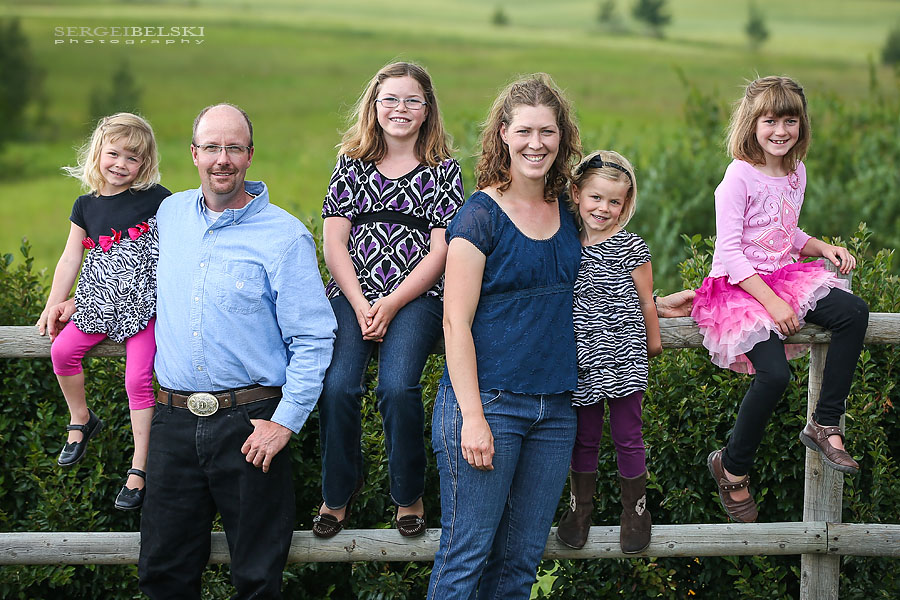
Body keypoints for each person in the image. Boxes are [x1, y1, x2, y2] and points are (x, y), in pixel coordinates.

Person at [49, 103, 337, 599]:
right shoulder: (169, 214)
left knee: (257, 577)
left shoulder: (285, 236)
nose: (221, 159)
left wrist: (284, 421)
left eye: (232, 148)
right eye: (211, 147)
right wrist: (80, 300)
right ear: (194, 154)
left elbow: (314, 338)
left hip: (252, 424)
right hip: (173, 422)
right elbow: (123, 266)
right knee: (163, 574)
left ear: (249, 155)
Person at [692, 76, 869, 523]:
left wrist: (821, 247)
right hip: (739, 289)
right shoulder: (738, 175)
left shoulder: (796, 172)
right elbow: (731, 252)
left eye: (790, 120)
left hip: (781, 278)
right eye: (769, 120)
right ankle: (731, 466)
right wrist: (772, 303)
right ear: (752, 124)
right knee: (774, 377)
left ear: (801, 125)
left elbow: (784, 233)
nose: (780, 131)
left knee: (852, 312)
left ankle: (826, 424)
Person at [314, 62, 464, 539]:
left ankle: (408, 493)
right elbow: (334, 241)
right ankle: (338, 491)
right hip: (352, 293)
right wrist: (360, 303)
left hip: (416, 297)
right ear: (374, 107)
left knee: (397, 388)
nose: (400, 109)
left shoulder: (443, 171)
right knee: (337, 386)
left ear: (427, 109)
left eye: (412, 101)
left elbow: (442, 249)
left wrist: (393, 303)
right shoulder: (350, 163)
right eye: (390, 100)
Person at [36, 112, 170, 511]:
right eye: (114, 154)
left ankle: (139, 466)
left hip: (144, 309)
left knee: (138, 379)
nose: (121, 165)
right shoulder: (85, 206)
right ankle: (81, 419)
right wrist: (54, 304)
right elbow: (68, 260)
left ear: (144, 165)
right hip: (97, 305)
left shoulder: (158, 200)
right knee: (61, 352)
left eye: (133, 159)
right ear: (97, 154)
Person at [555, 150, 661, 554]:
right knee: (584, 438)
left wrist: (652, 342)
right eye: (596, 198)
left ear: (626, 204)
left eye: (614, 202)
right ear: (578, 194)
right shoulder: (565, 243)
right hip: (580, 360)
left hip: (625, 356)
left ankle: (635, 510)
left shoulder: (632, 245)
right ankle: (580, 509)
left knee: (627, 436)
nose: (604, 208)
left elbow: (647, 299)